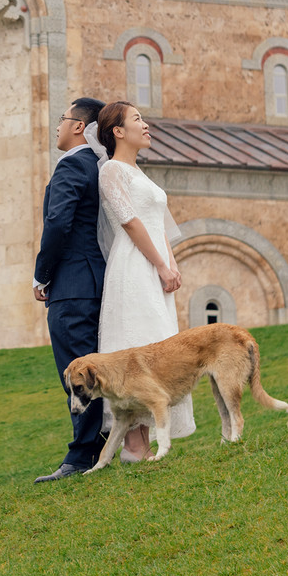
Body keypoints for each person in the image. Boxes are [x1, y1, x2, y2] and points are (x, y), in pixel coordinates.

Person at [94, 99, 196, 459]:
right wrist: (158, 264)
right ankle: (133, 442)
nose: (146, 125)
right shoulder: (112, 171)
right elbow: (130, 222)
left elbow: (157, 223)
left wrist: (170, 263)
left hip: (154, 265)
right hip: (134, 265)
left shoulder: (141, 173)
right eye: (138, 119)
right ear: (118, 131)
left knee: (159, 341)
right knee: (135, 339)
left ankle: (149, 436)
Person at [32, 97, 108, 481]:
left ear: (78, 127)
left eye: (63, 119)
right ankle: (101, 444)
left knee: (78, 371)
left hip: (72, 286)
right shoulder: (98, 167)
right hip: (96, 281)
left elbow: (58, 224)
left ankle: (81, 456)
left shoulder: (71, 167)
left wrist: (41, 274)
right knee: (94, 366)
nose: (58, 125)